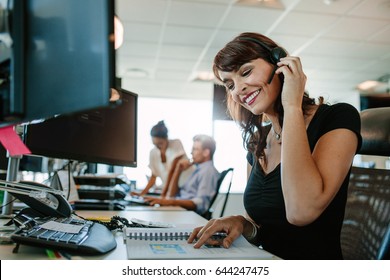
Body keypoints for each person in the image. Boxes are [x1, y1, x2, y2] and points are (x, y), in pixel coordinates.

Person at [188, 32, 362, 260]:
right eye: (229, 84)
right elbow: (262, 229)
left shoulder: (338, 117)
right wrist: (241, 223)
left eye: (246, 72)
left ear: (279, 63)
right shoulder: (257, 141)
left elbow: (301, 212)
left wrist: (292, 106)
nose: (237, 90)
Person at [144, 134, 220, 215]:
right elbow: (172, 195)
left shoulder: (207, 171)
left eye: (195, 149)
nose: (191, 152)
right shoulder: (197, 170)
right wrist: (178, 170)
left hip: (189, 215)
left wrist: (170, 202)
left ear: (206, 152)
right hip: (181, 211)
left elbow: (200, 204)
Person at [133, 120, 194, 197]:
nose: (158, 147)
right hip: (172, 191)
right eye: (155, 144)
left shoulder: (176, 144)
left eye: (160, 144)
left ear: (167, 138)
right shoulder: (153, 152)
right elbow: (153, 176)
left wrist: (163, 195)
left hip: (186, 187)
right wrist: (142, 193)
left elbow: (172, 171)